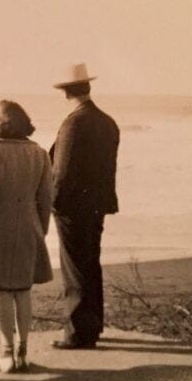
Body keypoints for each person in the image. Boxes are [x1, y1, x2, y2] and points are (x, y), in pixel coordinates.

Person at [0, 101, 53, 373]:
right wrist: (41, 230)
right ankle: (23, 352)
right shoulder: (40, 153)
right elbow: (46, 200)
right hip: (30, 227)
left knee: (3, 292)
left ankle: (6, 354)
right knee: (23, 291)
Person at [49, 63, 119, 350]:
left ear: (66, 92)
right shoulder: (107, 121)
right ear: (87, 87)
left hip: (72, 207)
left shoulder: (73, 123)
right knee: (90, 264)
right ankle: (92, 326)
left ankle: (78, 332)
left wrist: (51, 204)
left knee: (75, 269)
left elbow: (61, 173)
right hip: (97, 204)